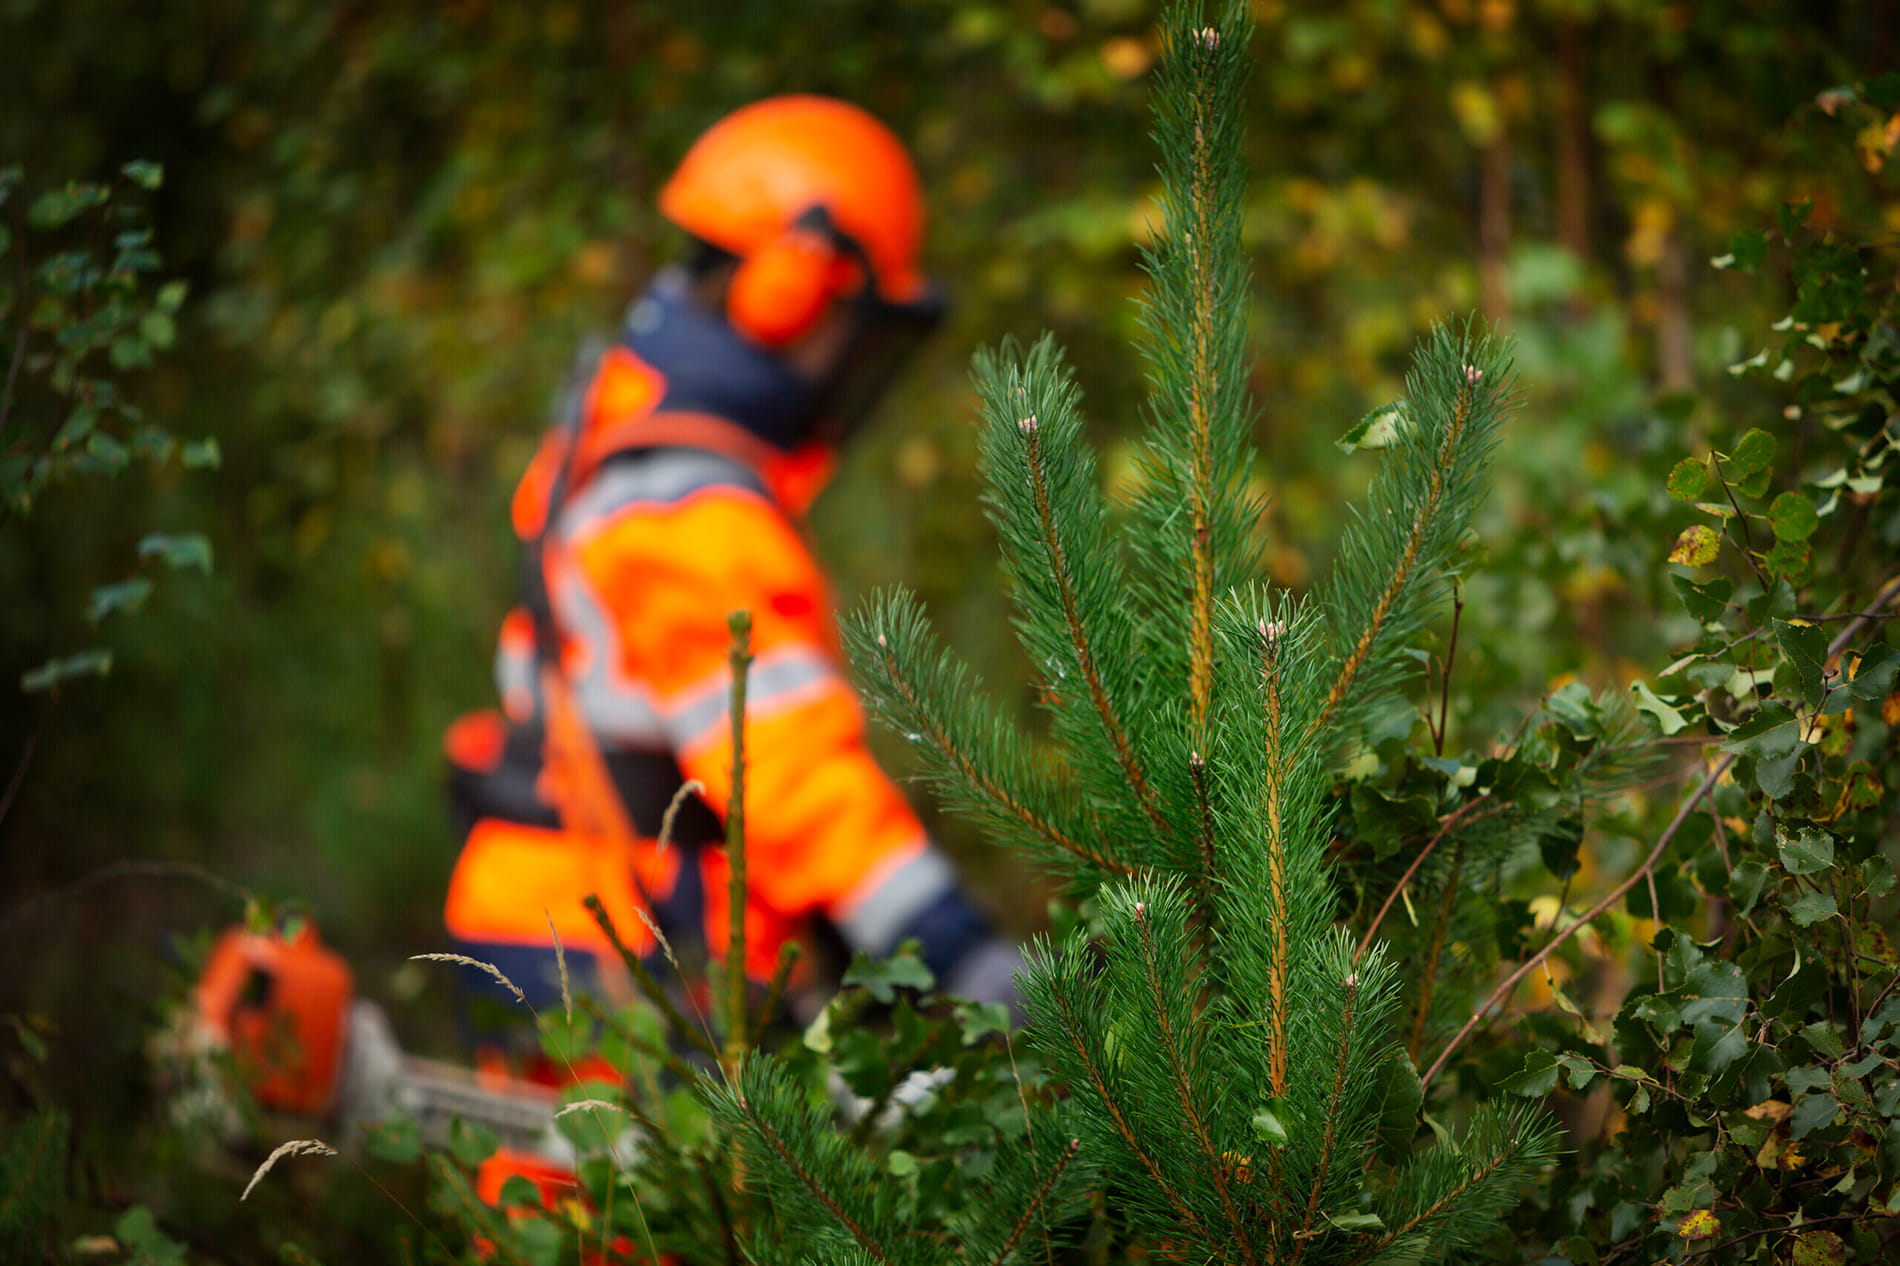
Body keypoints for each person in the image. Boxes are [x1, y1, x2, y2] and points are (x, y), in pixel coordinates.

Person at [438, 96, 1019, 1045]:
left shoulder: (625, 438)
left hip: (572, 937)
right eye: (854, 324)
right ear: (789, 291)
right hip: (620, 962)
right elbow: (780, 771)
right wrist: (953, 948)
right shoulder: (685, 499)